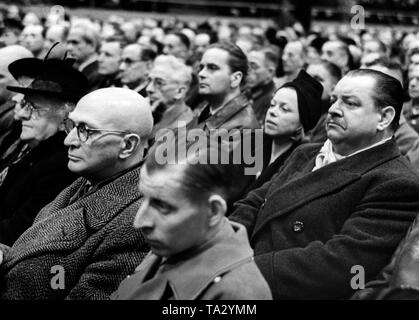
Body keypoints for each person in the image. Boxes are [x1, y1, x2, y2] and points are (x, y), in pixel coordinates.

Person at [230, 69, 419, 299]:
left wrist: (240, 271)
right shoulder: (305, 152)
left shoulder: (396, 182)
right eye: (333, 100)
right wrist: (221, 248)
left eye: (350, 103)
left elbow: (341, 265)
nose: (332, 110)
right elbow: (254, 203)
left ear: (384, 118)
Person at [0, 87, 153, 299]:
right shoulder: (87, 181)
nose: (68, 140)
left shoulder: (137, 221)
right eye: (72, 125)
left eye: (86, 130)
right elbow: (32, 260)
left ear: (127, 145)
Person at [111, 137, 272, 300]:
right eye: (144, 199)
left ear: (213, 211)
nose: (139, 222)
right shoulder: (176, 243)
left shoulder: (239, 294)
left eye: (162, 206)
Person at [0, 56, 86, 245]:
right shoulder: (35, 148)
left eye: (34, 107)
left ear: (67, 113)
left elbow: (19, 232)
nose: (22, 114)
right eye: (24, 104)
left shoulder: (63, 165)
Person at [245, 70, 323, 193]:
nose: (272, 112)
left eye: (284, 109)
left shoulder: (302, 162)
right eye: (272, 105)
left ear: (303, 122)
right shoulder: (251, 141)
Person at [191, 41, 259, 132]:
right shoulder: (205, 109)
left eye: (212, 68)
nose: (201, 74)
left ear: (235, 78)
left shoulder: (245, 128)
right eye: (201, 67)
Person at [146, 55, 194, 143]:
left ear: (180, 92)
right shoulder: (153, 113)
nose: (149, 89)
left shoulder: (185, 128)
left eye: (159, 83)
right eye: (149, 81)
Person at [246, 47, 279, 125]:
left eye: (254, 67)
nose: (247, 71)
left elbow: (259, 135)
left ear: (270, 72)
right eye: (247, 66)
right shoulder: (246, 90)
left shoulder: (273, 101)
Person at [66, 23, 103, 92]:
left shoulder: (97, 74)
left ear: (92, 46)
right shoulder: (79, 68)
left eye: (75, 42)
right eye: (68, 42)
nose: (69, 48)